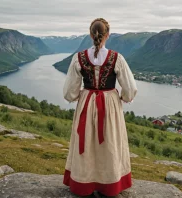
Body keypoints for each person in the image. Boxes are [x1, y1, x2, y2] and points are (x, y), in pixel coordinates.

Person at [62, 18, 137, 197]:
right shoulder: (117, 58)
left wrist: (80, 95)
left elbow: (70, 92)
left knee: (86, 140)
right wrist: (122, 98)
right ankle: (109, 183)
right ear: (107, 35)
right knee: (110, 142)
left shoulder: (78, 58)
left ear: (90, 34)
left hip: (87, 101)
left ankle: (83, 181)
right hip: (109, 103)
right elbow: (130, 89)